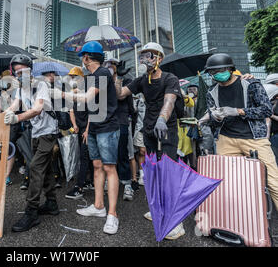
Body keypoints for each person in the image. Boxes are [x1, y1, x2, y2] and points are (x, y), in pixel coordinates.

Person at [114, 42, 185, 240]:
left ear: (159, 58)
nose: (146, 59)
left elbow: (170, 100)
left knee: (169, 172)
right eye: (143, 56)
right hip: (149, 131)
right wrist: (119, 77)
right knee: (154, 171)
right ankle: (160, 209)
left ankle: (176, 221)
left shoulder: (170, 78)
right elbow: (120, 94)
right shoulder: (141, 80)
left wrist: (162, 119)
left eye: (150, 55)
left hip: (166, 129)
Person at [53, 41, 121, 235]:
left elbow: (86, 98)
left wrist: (60, 93)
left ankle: (112, 214)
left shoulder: (103, 74)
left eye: (83, 56)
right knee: (97, 166)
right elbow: (85, 98)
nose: (82, 60)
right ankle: (99, 206)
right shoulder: (92, 76)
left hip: (108, 127)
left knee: (109, 167)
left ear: (87, 57)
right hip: (95, 128)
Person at [202, 53, 278, 211]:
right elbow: (213, 118)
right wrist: (215, 117)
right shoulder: (211, 92)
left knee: (273, 182)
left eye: (220, 70)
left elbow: (266, 110)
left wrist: (238, 111)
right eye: (212, 72)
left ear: (230, 69)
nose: (217, 75)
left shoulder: (250, 84)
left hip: (254, 139)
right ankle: (242, 222)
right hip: (226, 139)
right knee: (231, 184)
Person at [4, 54, 59, 233]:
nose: (20, 74)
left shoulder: (41, 84)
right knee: (47, 168)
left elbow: (37, 109)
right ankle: (51, 204)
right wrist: (0, 115)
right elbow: (14, 105)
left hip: (48, 132)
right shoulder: (21, 89)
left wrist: (17, 117)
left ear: (30, 70)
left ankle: (31, 212)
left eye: (23, 70)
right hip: (36, 133)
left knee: (35, 167)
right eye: (17, 71)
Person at [109, 58, 138, 202]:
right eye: (108, 64)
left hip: (122, 120)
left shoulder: (125, 81)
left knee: (123, 153)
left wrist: (118, 77)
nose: (111, 67)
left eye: (113, 64)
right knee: (108, 154)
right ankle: (111, 181)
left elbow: (119, 96)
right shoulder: (104, 80)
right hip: (107, 121)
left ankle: (127, 184)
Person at [65, 67, 94, 200]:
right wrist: (75, 125)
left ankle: (79, 187)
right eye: (71, 77)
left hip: (88, 129)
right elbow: (71, 111)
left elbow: (91, 114)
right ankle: (90, 181)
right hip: (79, 129)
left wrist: (87, 130)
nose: (73, 80)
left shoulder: (88, 94)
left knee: (85, 156)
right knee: (85, 156)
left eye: (75, 77)